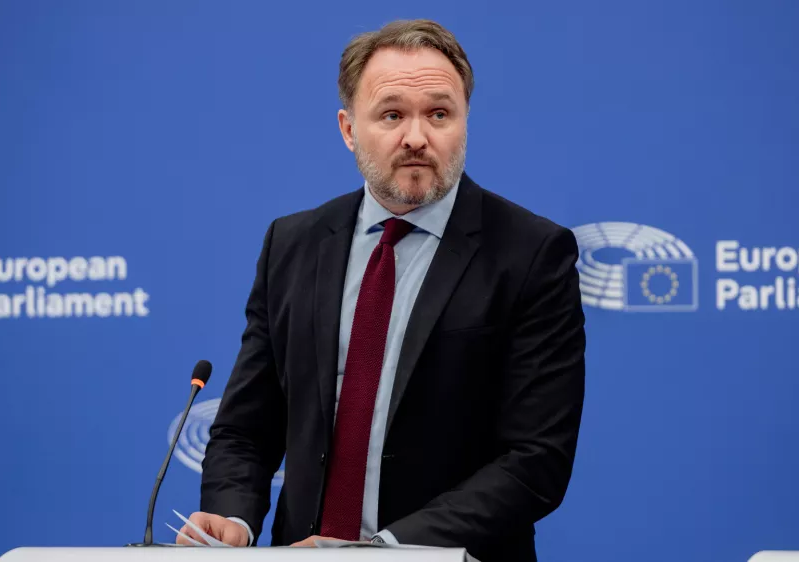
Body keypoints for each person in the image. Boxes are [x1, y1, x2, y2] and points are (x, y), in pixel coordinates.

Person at [177, 19, 586, 562]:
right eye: (392, 114)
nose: (417, 136)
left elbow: (535, 459)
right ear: (349, 129)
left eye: (439, 114)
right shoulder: (292, 244)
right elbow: (246, 428)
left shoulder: (532, 253)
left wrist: (383, 552)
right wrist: (232, 517)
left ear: (465, 122)